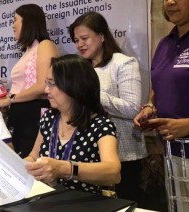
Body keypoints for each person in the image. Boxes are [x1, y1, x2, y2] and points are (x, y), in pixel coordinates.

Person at [133, 0, 189, 212]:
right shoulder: (166, 42)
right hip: (172, 151)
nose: (170, 2)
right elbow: (159, 84)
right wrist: (149, 106)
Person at [69, 12, 147, 203]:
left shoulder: (123, 63)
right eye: (76, 40)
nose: (80, 44)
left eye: (85, 38)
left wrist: (91, 93)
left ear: (102, 36)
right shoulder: (80, 69)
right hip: (87, 154)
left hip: (123, 155)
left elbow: (132, 108)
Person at [25, 54, 121, 195]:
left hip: (83, 203)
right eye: (47, 83)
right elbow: (33, 156)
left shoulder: (100, 126)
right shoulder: (49, 118)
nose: (46, 90)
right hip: (45, 201)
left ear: (73, 86)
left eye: (52, 84)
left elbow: (114, 172)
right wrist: (19, 165)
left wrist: (65, 169)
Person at [0, 3, 59, 158]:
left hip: (34, 112)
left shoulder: (45, 45)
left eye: (15, 20)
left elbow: (44, 85)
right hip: (20, 113)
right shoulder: (28, 51)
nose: (12, 25)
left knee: (31, 160)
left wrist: (10, 100)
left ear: (28, 21)